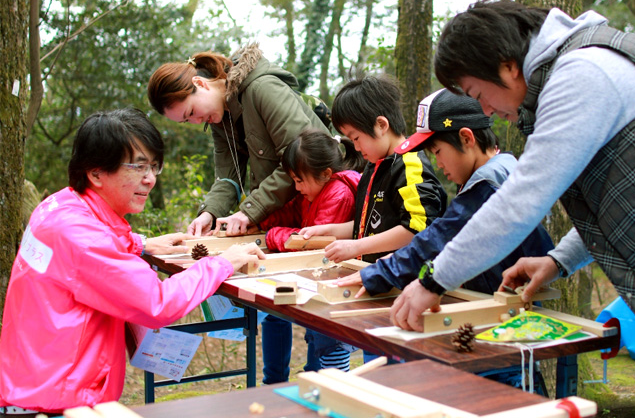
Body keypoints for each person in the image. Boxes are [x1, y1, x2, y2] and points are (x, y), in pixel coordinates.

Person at [389, 0, 635, 418]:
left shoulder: (583, 73)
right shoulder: (580, 68)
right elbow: (632, 199)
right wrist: (557, 261)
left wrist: (432, 280)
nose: (485, 110)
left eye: (478, 93)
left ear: (507, 66)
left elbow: (521, 201)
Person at [0, 108, 264, 415]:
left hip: (30, 381)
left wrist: (140, 243)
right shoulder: (84, 239)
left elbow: (88, 252)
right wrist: (223, 263)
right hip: (55, 401)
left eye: (154, 167)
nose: (150, 179)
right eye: (138, 167)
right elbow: (157, 302)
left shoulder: (58, 207)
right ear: (96, 172)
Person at [335, 89, 553, 392]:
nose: (437, 164)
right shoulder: (498, 171)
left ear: (466, 138)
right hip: (492, 325)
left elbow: (439, 238)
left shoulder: (488, 185)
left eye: (437, 152)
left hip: (502, 339)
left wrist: (378, 273)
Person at [148, 43, 330, 385]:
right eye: (187, 121)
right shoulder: (220, 117)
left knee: (316, 310)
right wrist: (209, 213)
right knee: (274, 304)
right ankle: (275, 388)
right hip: (280, 215)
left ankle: (319, 388)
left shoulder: (262, 89)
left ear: (201, 85)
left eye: (190, 113)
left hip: (322, 207)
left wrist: (247, 212)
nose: (195, 121)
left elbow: (309, 157)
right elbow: (228, 175)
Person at [299, 74, 447, 362]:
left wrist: (356, 248)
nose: (355, 147)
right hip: (376, 285)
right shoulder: (374, 164)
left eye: (356, 137)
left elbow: (419, 229)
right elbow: (369, 224)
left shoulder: (410, 163)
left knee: (394, 368)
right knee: (374, 361)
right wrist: (333, 230)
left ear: (381, 125)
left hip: (403, 287)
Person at [258, 128, 364, 373]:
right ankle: (317, 381)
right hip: (319, 285)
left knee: (329, 345)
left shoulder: (337, 194)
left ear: (325, 174)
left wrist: (271, 235)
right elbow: (292, 212)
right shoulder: (313, 193)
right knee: (317, 338)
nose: (296, 188)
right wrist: (260, 220)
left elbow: (310, 242)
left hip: (333, 287)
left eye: (299, 180)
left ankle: (333, 391)